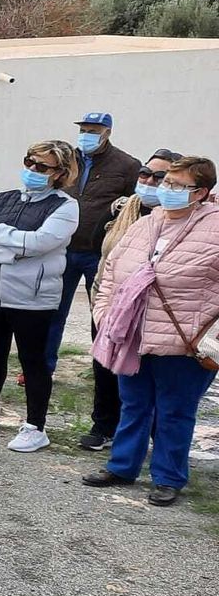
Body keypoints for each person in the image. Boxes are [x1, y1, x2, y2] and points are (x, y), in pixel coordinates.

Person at [85, 156, 219, 507]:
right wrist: (104, 313)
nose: (167, 190)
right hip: (133, 334)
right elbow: (112, 270)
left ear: (201, 192)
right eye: (166, 183)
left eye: (178, 185)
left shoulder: (215, 227)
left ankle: (168, 478)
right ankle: (122, 466)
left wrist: (211, 331)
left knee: (175, 411)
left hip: (184, 341)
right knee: (134, 404)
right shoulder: (147, 222)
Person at [0, 141, 82, 453]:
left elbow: (40, 243)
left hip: (33, 298)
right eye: (30, 162)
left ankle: (35, 426)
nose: (32, 170)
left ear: (60, 173)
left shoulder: (65, 206)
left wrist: (0, 237)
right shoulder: (3, 199)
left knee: (33, 362)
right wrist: (13, 249)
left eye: (42, 167)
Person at [81, 148, 180, 451]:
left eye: (159, 176)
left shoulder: (179, 220)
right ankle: (104, 426)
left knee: (148, 377)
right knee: (105, 366)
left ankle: (154, 436)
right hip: (110, 301)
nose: (149, 180)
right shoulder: (121, 209)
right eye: (145, 174)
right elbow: (100, 246)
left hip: (154, 311)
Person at [45, 111, 140, 377]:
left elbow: (134, 207)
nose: (86, 136)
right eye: (84, 130)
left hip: (99, 254)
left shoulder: (126, 165)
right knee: (52, 311)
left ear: (107, 132)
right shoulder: (66, 161)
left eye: (93, 131)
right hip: (63, 249)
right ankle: (41, 368)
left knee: (102, 314)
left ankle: (103, 371)